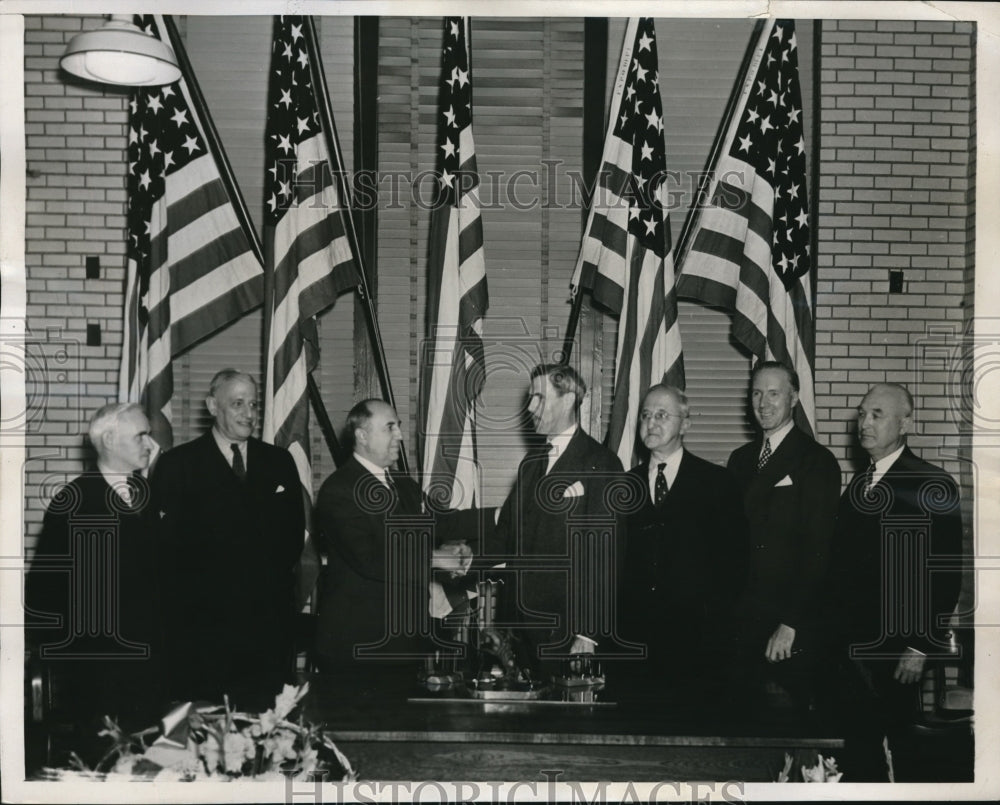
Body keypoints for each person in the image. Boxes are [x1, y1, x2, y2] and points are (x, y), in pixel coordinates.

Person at [825, 383, 963, 781]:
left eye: (876, 415)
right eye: (862, 414)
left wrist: (920, 645)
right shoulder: (858, 486)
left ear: (906, 424)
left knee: (901, 758)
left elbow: (945, 574)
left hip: (896, 651)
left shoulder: (930, 484)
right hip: (850, 652)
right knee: (857, 754)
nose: (863, 423)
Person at [151, 369, 303, 708]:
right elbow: (166, 552)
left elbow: (293, 537)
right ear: (211, 406)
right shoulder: (178, 465)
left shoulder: (278, 462)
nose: (249, 414)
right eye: (237, 404)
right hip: (205, 632)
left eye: (253, 403)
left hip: (267, 631)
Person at [25, 403, 165, 763]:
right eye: (141, 435)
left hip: (150, 668)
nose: (150, 443)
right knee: (102, 767)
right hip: (96, 674)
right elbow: (44, 594)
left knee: (151, 767)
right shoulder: (71, 504)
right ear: (109, 439)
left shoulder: (149, 499)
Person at [313, 399, 481, 671]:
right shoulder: (339, 490)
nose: (400, 436)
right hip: (359, 645)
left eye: (399, 427)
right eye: (390, 428)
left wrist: (503, 516)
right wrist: (434, 559)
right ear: (362, 435)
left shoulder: (403, 485)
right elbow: (371, 559)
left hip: (405, 643)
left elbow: (444, 522)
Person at [491, 363, 627, 680]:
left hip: (567, 633)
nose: (530, 408)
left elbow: (606, 557)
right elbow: (507, 535)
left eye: (539, 398)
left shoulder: (602, 464)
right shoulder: (530, 464)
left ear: (567, 401)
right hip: (518, 632)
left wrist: (588, 634)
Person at [726, 361, 841, 710]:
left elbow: (819, 550)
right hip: (741, 621)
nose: (764, 403)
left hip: (788, 624)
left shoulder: (816, 460)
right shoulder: (740, 459)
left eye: (774, 393)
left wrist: (791, 623)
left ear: (793, 397)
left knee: (793, 728)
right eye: (757, 393)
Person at [620, 384, 748, 685]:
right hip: (633, 642)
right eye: (646, 415)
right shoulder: (624, 485)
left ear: (686, 424)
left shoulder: (717, 482)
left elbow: (736, 564)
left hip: (697, 644)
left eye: (662, 415)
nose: (651, 423)